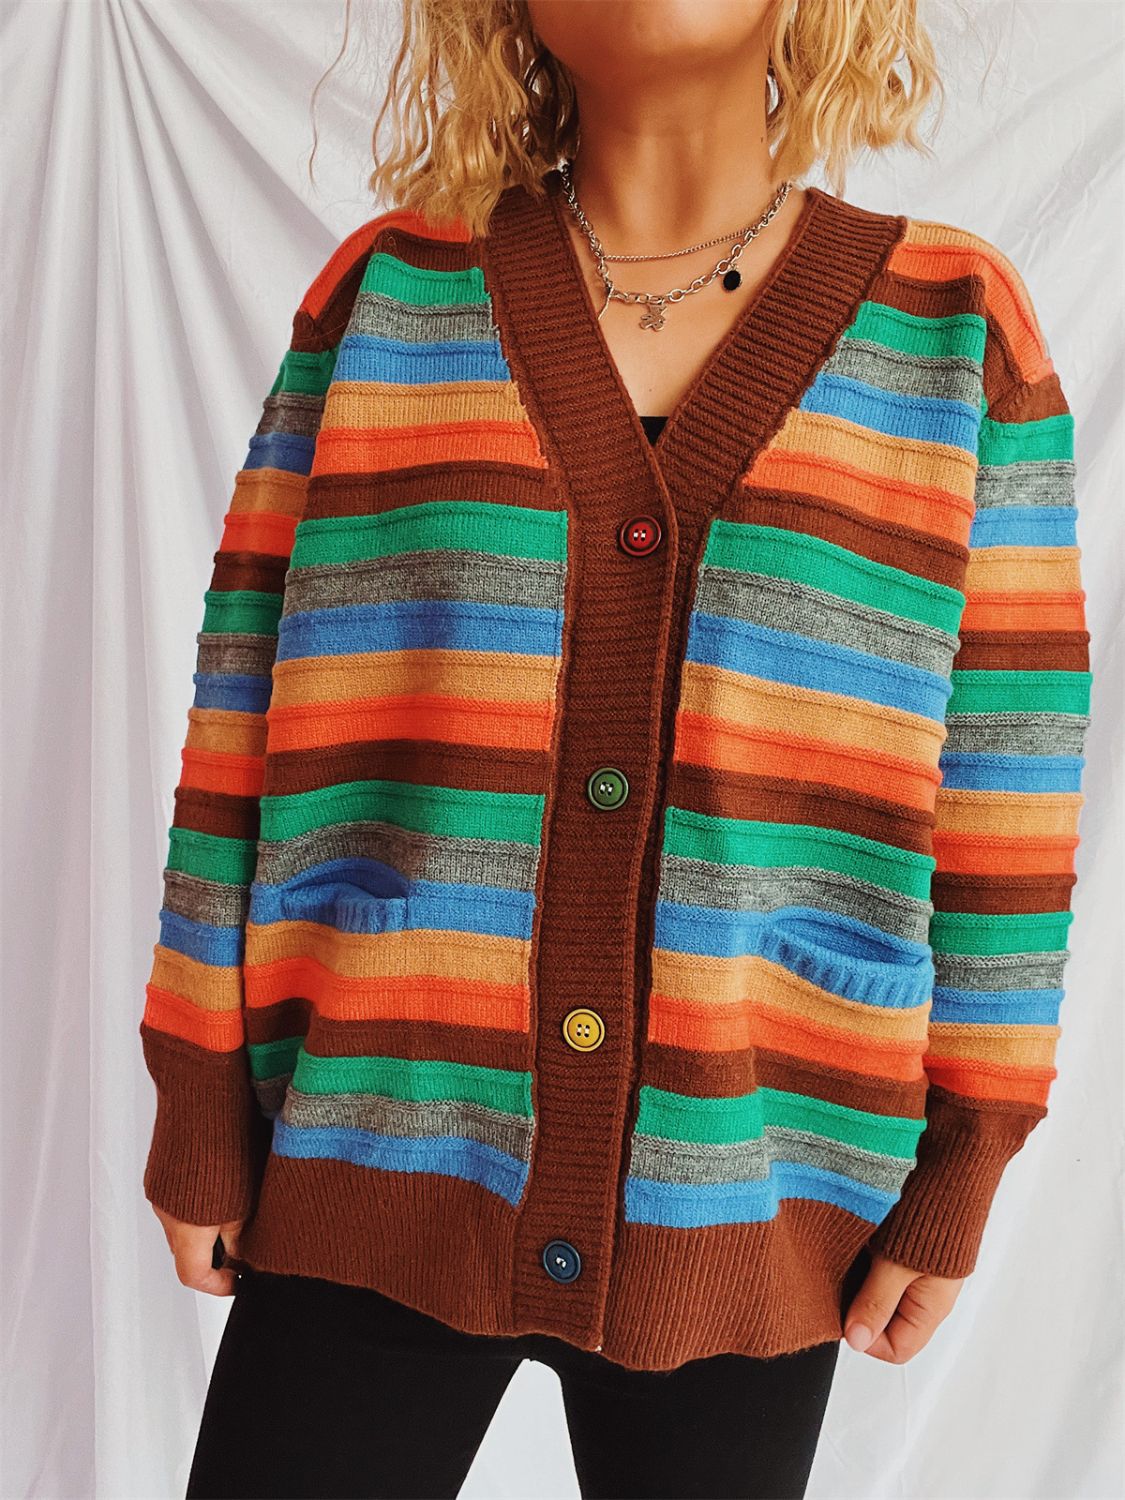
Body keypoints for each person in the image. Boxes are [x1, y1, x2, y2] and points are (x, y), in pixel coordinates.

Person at [138, 2, 1092, 1497]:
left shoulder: (952, 331)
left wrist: (970, 1151)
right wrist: (199, 1094)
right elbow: (238, 729)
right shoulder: (388, 300)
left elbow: (1009, 789)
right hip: (375, 1129)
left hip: (749, 1171)